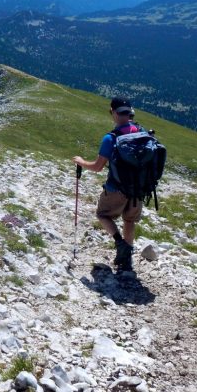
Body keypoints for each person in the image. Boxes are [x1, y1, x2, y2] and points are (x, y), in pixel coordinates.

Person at [73, 97, 141, 272]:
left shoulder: (111, 138)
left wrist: (80, 162)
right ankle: (127, 260)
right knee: (129, 219)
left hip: (117, 188)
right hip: (139, 188)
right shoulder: (140, 132)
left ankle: (120, 244)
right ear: (130, 113)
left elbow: (97, 167)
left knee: (102, 214)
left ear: (114, 112)